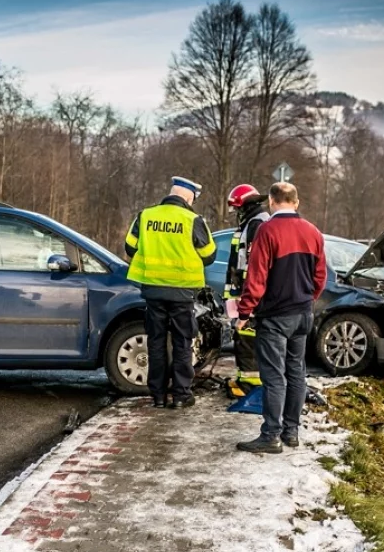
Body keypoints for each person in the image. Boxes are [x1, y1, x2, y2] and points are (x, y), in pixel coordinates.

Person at [234, 182, 327, 453]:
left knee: (274, 377)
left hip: (275, 316)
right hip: (302, 314)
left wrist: (244, 311)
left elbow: (257, 276)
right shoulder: (313, 232)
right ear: (296, 203)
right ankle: (291, 432)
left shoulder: (267, 230)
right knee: (296, 372)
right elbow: (320, 276)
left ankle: (270, 436)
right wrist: (308, 299)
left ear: (273, 202)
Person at [124, 177, 217, 409]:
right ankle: (181, 395)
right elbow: (209, 255)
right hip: (182, 293)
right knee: (182, 343)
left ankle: (157, 396)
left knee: (155, 343)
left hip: (153, 291)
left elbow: (129, 247)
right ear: (188, 197)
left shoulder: (145, 216)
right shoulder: (193, 220)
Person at [224, 184, 270, 395]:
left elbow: (254, 264)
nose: (236, 213)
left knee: (247, 337)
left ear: (245, 206)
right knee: (245, 336)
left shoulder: (257, 225)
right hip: (247, 291)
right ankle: (247, 380)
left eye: (237, 208)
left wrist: (247, 295)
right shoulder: (253, 223)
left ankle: (251, 384)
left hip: (251, 293)